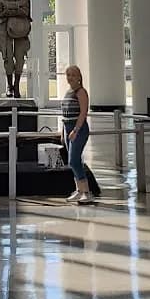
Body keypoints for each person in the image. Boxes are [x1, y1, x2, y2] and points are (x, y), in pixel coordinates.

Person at [61, 65, 94, 205]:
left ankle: (86, 192)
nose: (70, 78)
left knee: (74, 160)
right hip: (68, 128)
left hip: (78, 129)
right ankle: (79, 190)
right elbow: (65, 114)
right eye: (68, 75)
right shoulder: (68, 92)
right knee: (72, 161)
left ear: (79, 77)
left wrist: (76, 130)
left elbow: (83, 113)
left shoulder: (81, 92)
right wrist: (64, 132)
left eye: (73, 75)